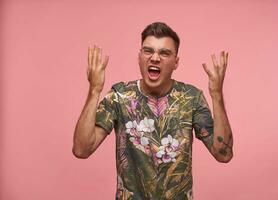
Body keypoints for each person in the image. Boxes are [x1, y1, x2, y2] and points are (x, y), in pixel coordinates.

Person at [72, 22, 233, 200]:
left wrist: (216, 96)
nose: (155, 58)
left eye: (164, 53)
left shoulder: (191, 98)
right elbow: (82, 149)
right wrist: (94, 89)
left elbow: (223, 154)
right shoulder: (120, 96)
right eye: (148, 51)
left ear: (176, 62)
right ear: (139, 57)